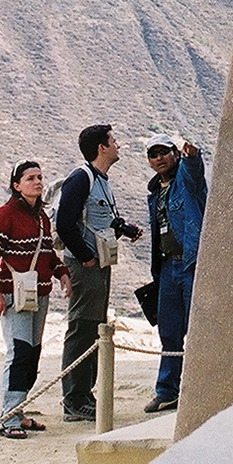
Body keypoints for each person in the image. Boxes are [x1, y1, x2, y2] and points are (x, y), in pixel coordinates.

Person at [55, 123, 141, 423]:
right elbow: (64, 223)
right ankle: (74, 400)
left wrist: (125, 229)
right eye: (113, 141)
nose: (118, 145)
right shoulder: (81, 178)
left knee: (94, 327)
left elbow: (101, 219)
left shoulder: (101, 180)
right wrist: (86, 257)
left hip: (100, 264)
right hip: (86, 265)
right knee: (82, 327)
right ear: (101, 148)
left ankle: (85, 395)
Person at [0, 161, 69, 438]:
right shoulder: (4, 215)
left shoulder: (42, 218)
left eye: (40, 177)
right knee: (19, 352)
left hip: (38, 293)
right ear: (16, 185)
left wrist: (61, 272)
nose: (37, 182)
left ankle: (18, 411)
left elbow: (47, 253)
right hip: (13, 294)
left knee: (31, 354)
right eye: (30, 178)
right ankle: (7, 419)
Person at [141, 134, 207, 414]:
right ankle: (167, 391)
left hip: (191, 264)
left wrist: (193, 157)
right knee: (169, 332)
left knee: (198, 329)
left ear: (175, 153)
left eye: (164, 151)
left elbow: (194, 172)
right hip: (168, 267)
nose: (159, 158)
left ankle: (200, 389)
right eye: (153, 154)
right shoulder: (155, 193)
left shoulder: (186, 180)